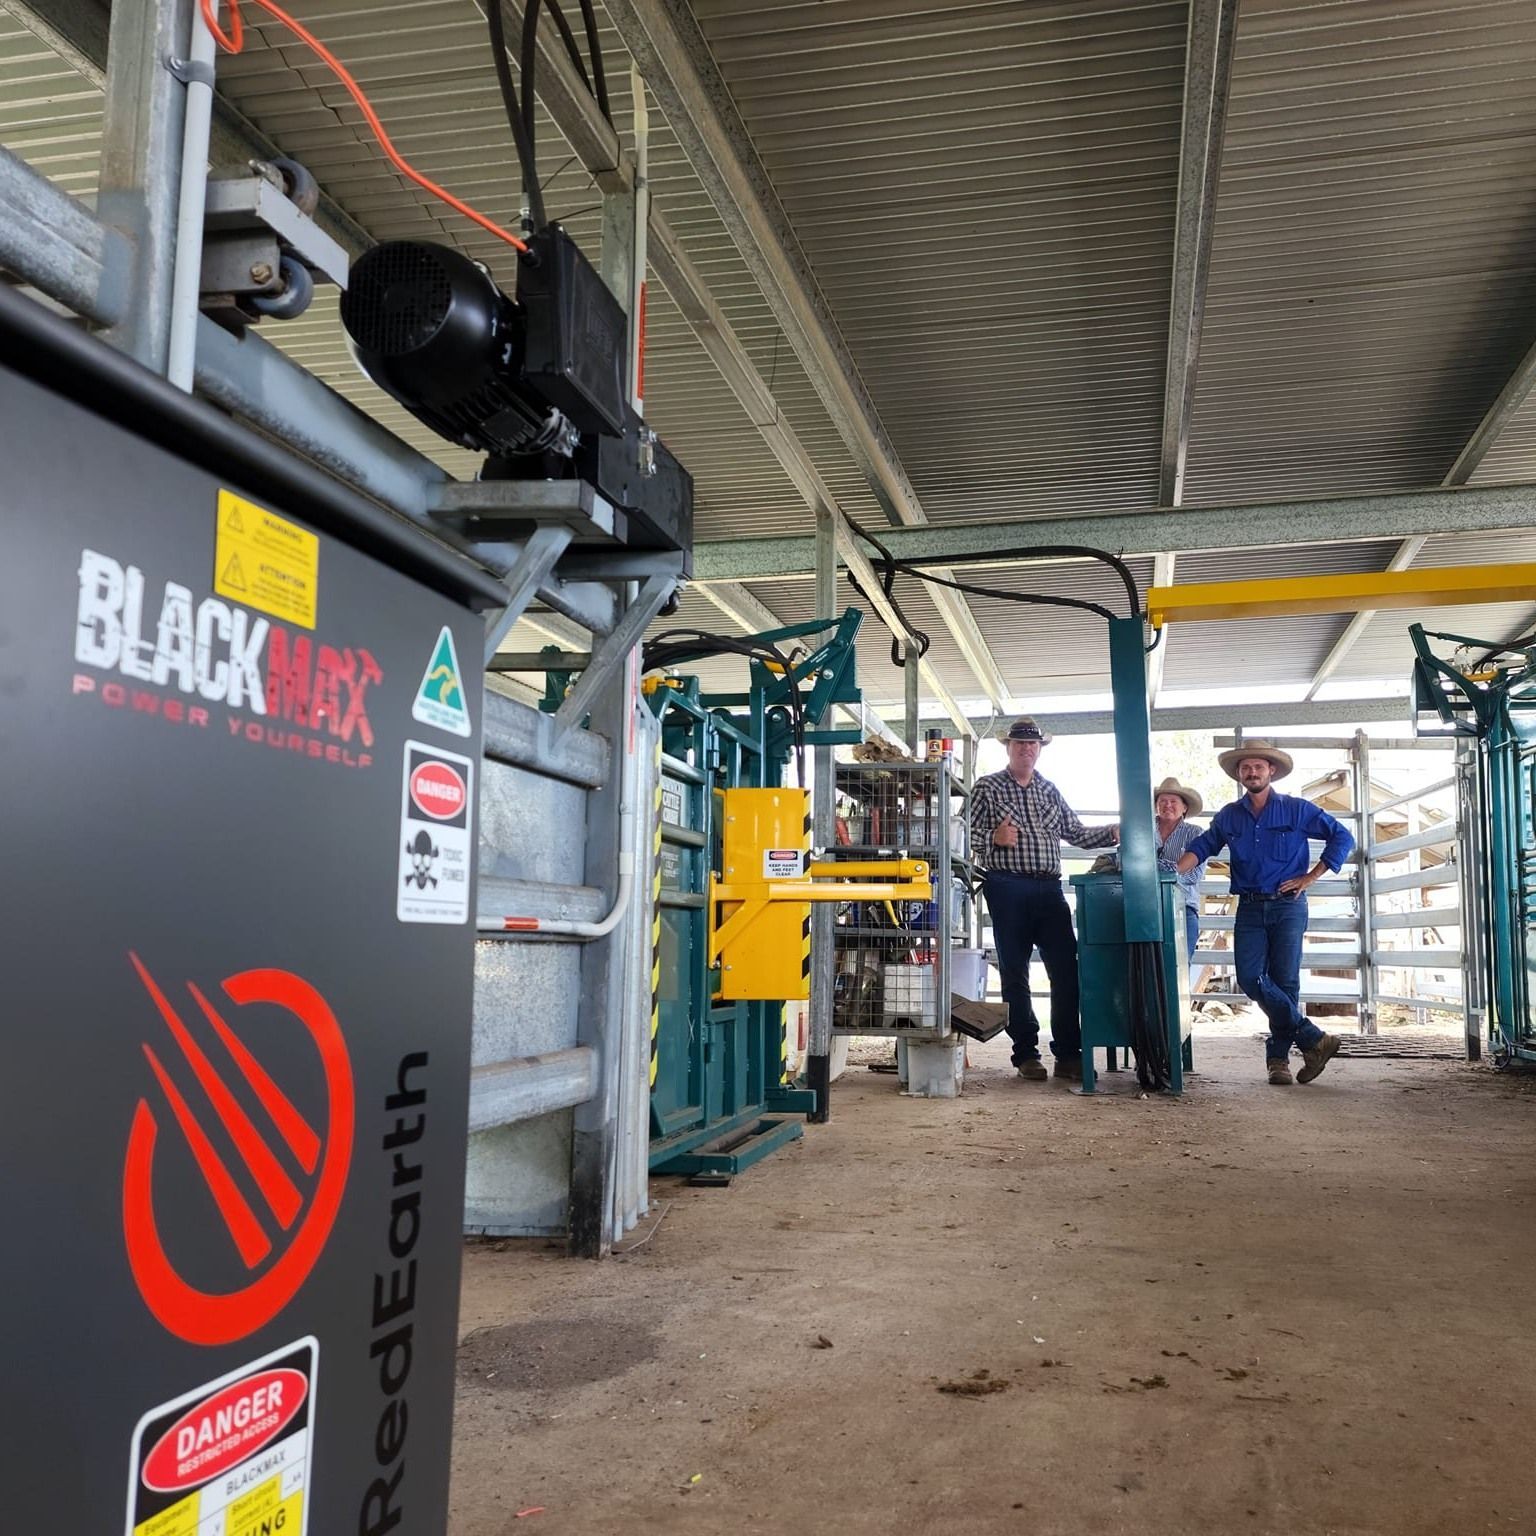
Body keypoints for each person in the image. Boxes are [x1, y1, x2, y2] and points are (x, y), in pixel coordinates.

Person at [1176, 740, 1355, 1086]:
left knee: (1285, 982)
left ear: (1271, 770)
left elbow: (1342, 837)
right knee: (1250, 977)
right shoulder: (1229, 815)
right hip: (1250, 906)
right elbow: (1203, 846)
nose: (1252, 772)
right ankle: (1313, 1039)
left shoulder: (1296, 809)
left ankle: (1278, 1061)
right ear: (1239, 774)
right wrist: (1171, 872)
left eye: (1258, 766)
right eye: (1246, 768)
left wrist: (1310, 876)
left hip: (1289, 905)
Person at [971, 718, 1119, 1083]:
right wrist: (993, 838)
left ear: (1039, 749)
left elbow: (1076, 833)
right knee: (1015, 971)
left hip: (1049, 888)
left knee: (1066, 970)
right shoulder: (987, 787)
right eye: (1020, 743)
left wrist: (1114, 832)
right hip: (1006, 885)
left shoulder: (1049, 790)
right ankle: (1026, 1053)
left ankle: (1068, 1053)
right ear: (1008, 747)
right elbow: (961, 834)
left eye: (1032, 744)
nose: (1026, 748)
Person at [1153, 776, 1208, 977]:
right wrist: (1174, 869)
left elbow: (1193, 874)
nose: (1167, 805)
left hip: (1183, 909)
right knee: (1148, 966)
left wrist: (1153, 868)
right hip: (1148, 908)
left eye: (1173, 801)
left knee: (1180, 968)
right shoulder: (1143, 830)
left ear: (1184, 807)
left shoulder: (1195, 833)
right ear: (1156, 806)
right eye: (1162, 801)